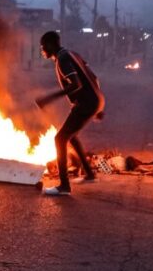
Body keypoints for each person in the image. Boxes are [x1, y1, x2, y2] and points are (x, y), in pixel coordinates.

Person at [35, 31, 105, 196]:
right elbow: (94, 77)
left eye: (43, 46)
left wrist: (49, 98)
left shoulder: (63, 59)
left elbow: (76, 84)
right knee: (71, 136)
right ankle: (90, 174)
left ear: (51, 44)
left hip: (86, 103)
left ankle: (64, 186)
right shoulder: (71, 54)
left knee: (59, 139)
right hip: (94, 101)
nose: (42, 50)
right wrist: (98, 103)